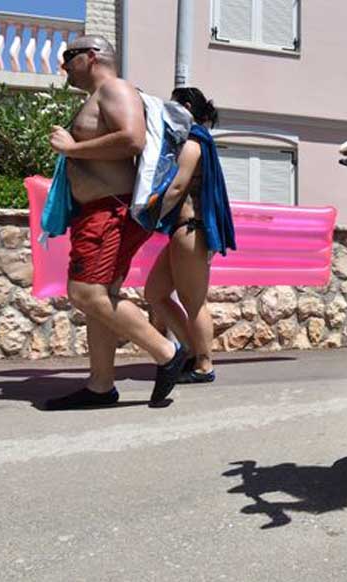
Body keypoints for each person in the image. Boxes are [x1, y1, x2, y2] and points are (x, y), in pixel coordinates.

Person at [44, 35, 187, 410]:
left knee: (85, 293)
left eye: (68, 57)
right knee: (100, 298)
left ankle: (167, 353)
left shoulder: (114, 89)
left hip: (111, 212)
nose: (64, 66)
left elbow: (132, 139)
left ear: (90, 57)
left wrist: (72, 148)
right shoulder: (98, 96)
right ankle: (100, 386)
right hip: (99, 211)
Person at [144, 87, 236, 384]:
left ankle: (204, 365)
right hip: (183, 232)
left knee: (194, 302)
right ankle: (191, 351)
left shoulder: (193, 143)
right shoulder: (192, 141)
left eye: (173, 105)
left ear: (184, 106)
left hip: (189, 230)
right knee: (154, 293)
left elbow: (176, 187)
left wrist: (148, 212)